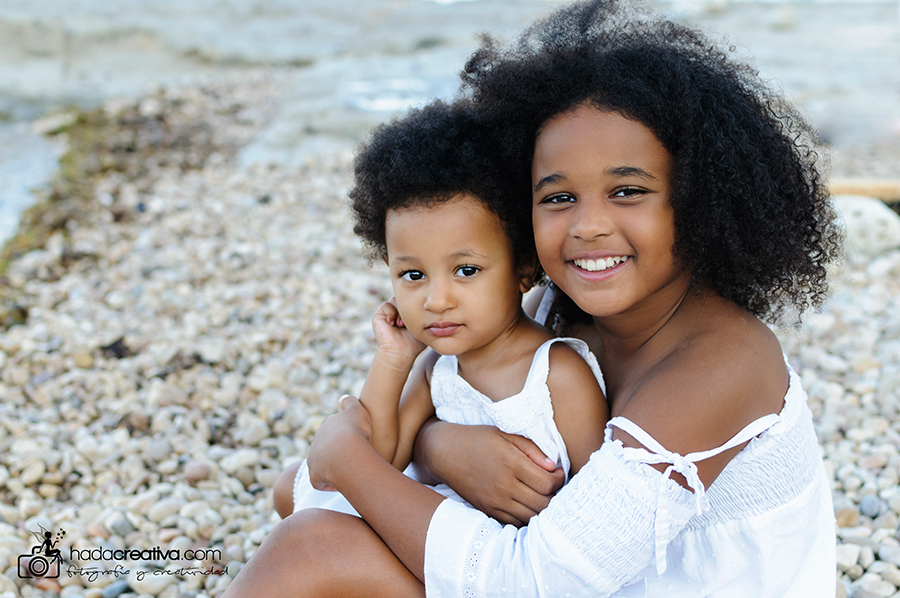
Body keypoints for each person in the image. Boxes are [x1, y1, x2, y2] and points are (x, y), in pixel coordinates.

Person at [224, 1, 841, 596]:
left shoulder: (723, 363)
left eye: (628, 191)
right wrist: (442, 447)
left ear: (700, 196)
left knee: (314, 544)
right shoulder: (559, 308)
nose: (588, 226)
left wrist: (345, 458)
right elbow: (341, 475)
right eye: (558, 197)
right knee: (294, 495)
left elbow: (534, 582)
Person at [274, 100, 608, 521]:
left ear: (524, 270)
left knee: (309, 524)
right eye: (413, 275)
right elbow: (380, 460)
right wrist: (393, 360)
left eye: (466, 270)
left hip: (502, 554)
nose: (436, 300)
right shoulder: (435, 367)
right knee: (288, 490)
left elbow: (599, 500)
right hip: (433, 517)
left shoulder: (556, 374)